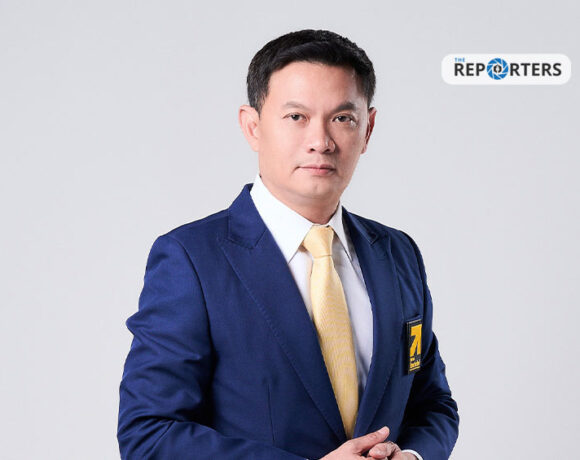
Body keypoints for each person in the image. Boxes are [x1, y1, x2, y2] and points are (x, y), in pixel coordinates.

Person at [117, 29, 459, 460]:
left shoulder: (397, 253)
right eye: (297, 117)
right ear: (252, 126)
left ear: (368, 129)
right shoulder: (192, 259)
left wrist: (412, 455)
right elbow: (149, 435)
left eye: (343, 118)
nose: (321, 141)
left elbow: (432, 403)